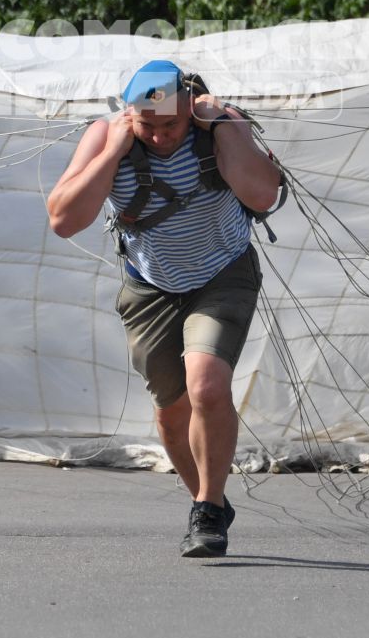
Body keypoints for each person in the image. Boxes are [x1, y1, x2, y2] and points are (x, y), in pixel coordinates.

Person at [47, 59, 283, 557]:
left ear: (188, 106)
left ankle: (209, 510)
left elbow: (263, 193)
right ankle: (206, 494)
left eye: (170, 125)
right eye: (147, 126)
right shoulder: (108, 136)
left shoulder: (219, 122)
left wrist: (222, 125)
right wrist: (113, 149)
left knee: (207, 385)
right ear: (130, 114)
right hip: (150, 286)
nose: (159, 138)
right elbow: (64, 220)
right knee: (171, 416)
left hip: (222, 273)